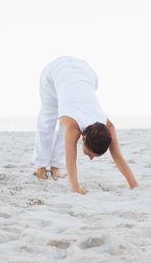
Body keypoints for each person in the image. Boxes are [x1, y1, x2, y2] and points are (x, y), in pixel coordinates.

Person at [33, 56, 138, 194]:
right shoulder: (72, 126)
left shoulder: (108, 126)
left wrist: (133, 185)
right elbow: (70, 159)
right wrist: (76, 188)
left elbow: (118, 155)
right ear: (84, 139)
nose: (91, 158)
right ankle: (40, 166)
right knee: (48, 120)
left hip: (86, 74)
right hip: (56, 72)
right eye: (90, 154)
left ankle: (54, 166)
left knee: (65, 126)